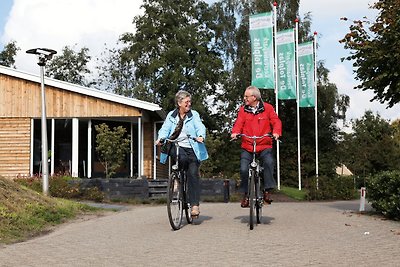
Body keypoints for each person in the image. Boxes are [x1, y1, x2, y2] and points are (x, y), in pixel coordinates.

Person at [156, 90, 208, 217]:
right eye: (186, 102)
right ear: (179, 103)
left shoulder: (193, 115)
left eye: (190, 101)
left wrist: (201, 136)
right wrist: (160, 138)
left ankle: (194, 205)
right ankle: (177, 180)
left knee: (193, 174)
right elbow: (165, 129)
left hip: (192, 147)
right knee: (180, 158)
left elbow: (200, 126)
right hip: (177, 145)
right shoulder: (171, 116)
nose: (189, 104)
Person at [231, 86, 282, 208]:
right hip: (248, 145)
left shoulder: (268, 108)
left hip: (264, 144)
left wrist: (276, 132)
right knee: (243, 169)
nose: (244, 99)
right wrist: (235, 132)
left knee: (269, 162)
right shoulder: (243, 110)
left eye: (246, 96)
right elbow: (239, 123)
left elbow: (276, 121)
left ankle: (267, 191)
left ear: (254, 97)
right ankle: (246, 195)